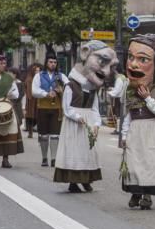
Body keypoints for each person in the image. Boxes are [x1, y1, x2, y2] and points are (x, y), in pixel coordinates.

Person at [53, 41, 114, 193]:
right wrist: (76, 116)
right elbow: (66, 108)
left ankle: (86, 180)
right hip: (75, 124)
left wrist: (96, 123)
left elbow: (94, 108)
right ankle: (73, 182)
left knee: (88, 151)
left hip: (87, 122)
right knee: (74, 152)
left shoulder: (92, 89)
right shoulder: (71, 86)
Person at [118, 34, 155, 209]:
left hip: (150, 129)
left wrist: (148, 98)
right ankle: (135, 192)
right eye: (130, 57)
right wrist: (124, 134)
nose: (133, 64)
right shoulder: (129, 91)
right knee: (133, 161)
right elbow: (128, 115)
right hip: (135, 129)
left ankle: (147, 195)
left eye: (142, 59)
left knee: (148, 162)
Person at [31, 54, 67, 167]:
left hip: (57, 108)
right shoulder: (39, 76)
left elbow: (69, 88)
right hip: (43, 107)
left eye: (55, 62)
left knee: (55, 134)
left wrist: (62, 90)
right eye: (51, 62)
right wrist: (46, 94)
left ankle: (54, 158)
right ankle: (44, 158)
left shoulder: (61, 76)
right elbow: (34, 91)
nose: (53, 64)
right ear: (46, 63)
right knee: (43, 134)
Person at [23, 64, 41, 138]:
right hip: (31, 101)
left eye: (39, 70)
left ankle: (37, 132)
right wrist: (29, 98)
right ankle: (30, 132)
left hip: (38, 99)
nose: (38, 72)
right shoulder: (30, 79)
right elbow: (28, 90)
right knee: (31, 117)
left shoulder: (38, 78)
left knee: (37, 116)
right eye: (37, 70)